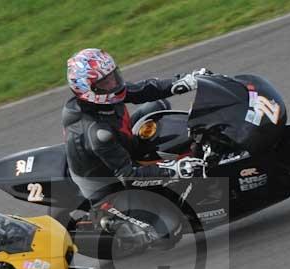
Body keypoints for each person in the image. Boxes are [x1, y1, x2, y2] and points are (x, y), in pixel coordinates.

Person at [63, 48, 208, 251]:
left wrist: (184, 82)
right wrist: (176, 169)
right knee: (167, 232)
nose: (114, 83)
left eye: (113, 76)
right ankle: (108, 220)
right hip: (107, 181)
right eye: (105, 82)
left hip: (122, 144)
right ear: (88, 89)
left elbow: (143, 89)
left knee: (158, 104)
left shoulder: (106, 94)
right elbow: (129, 175)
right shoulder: (98, 133)